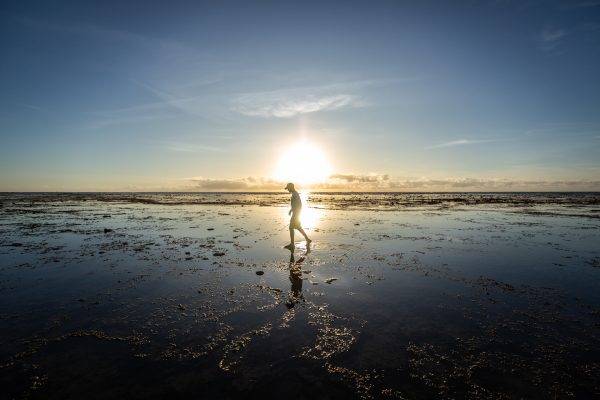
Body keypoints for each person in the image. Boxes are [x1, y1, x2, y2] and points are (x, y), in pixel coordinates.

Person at [283, 182, 311, 251]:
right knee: (298, 227)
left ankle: (292, 245)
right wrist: (291, 210)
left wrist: (295, 213)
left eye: (288, 188)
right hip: (296, 213)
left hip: (296, 213)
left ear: (291, 187)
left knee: (291, 227)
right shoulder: (295, 194)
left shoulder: (295, 194)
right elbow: (295, 204)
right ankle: (307, 239)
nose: (288, 190)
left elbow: (298, 205)